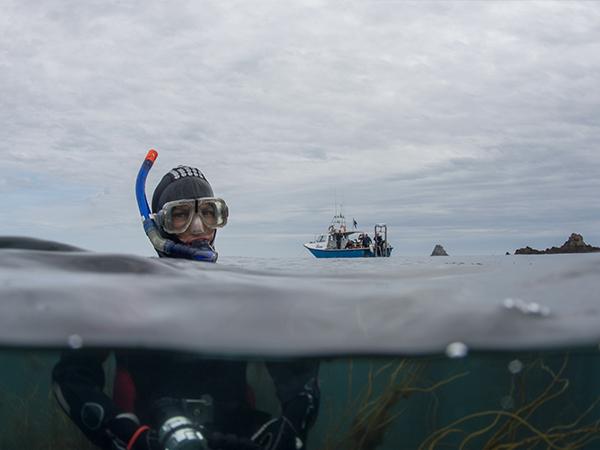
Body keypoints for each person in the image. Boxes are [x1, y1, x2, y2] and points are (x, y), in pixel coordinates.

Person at [52, 164, 320, 450]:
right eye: (179, 215)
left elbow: (300, 382)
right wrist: (128, 436)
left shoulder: (247, 297)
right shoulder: (126, 296)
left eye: (208, 213)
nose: (199, 228)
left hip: (237, 434)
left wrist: (289, 431)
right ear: (157, 226)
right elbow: (70, 378)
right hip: (150, 434)